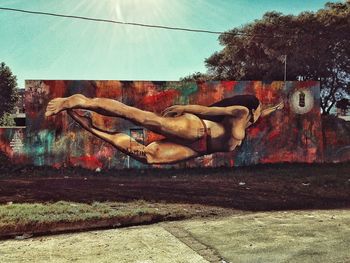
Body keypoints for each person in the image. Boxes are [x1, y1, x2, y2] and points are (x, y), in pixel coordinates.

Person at [45, 94, 283, 164]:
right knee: (146, 119)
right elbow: (207, 110)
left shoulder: (249, 120)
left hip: (199, 149)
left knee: (148, 156)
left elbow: (265, 111)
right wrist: (184, 107)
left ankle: (91, 127)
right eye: (262, 109)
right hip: (198, 130)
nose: (264, 111)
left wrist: (274, 107)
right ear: (253, 109)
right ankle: (80, 101)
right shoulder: (240, 112)